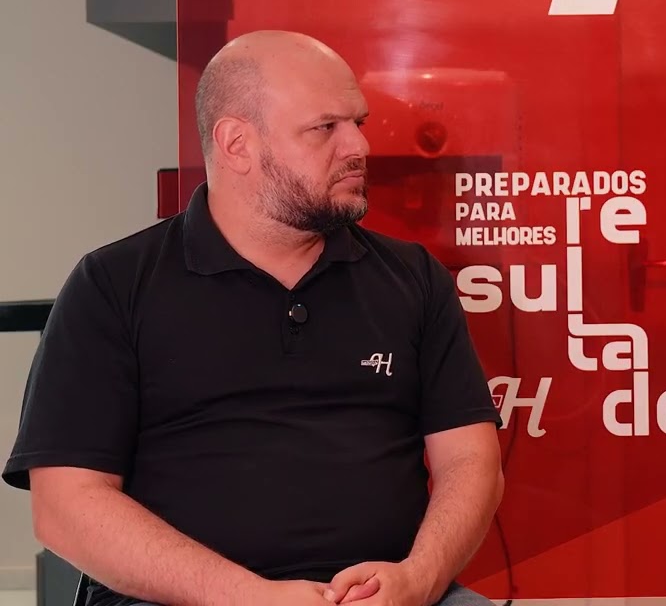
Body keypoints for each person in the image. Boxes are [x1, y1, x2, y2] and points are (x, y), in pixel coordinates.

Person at [3, 31, 503, 606]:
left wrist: (420, 578)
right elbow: (65, 505)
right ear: (237, 144)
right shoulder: (113, 286)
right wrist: (248, 596)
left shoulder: (413, 278)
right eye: (326, 127)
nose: (359, 146)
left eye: (358, 123)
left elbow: (471, 461)